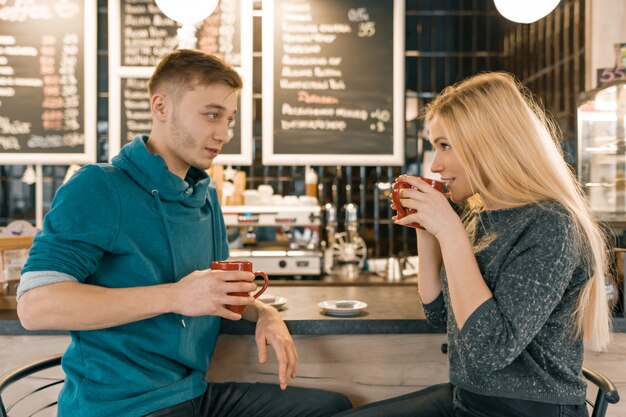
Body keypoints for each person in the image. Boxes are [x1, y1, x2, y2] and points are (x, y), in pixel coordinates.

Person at [16, 49, 351, 417]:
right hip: (119, 407)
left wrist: (263, 312)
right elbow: (36, 305)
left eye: (229, 119)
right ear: (161, 107)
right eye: (211, 115)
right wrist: (174, 296)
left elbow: (214, 295)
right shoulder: (99, 187)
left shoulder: (204, 195)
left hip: (192, 395)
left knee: (333, 408)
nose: (224, 134)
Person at [336, 72, 612, 417]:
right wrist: (426, 230)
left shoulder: (552, 224)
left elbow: (490, 349)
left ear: (490, 143)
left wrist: (450, 231)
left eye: (445, 146)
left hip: (527, 409)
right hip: (471, 399)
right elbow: (439, 316)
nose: (435, 166)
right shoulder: (478, 215)